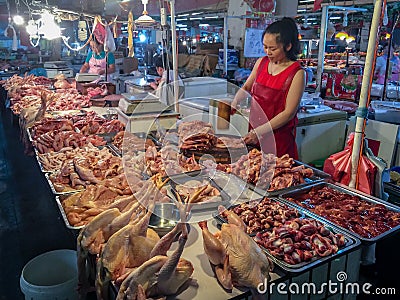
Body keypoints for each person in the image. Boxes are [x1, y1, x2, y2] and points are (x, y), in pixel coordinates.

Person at [231, 17, 305, 159]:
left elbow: (288, 113)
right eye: (265, 47)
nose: (267, 52)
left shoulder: (297, 73)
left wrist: (259, 131)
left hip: (278, 139)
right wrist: (235, 102)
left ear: (288, 46)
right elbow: (247, 86)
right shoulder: (261, 63)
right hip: (255, 135)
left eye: (273, 48)